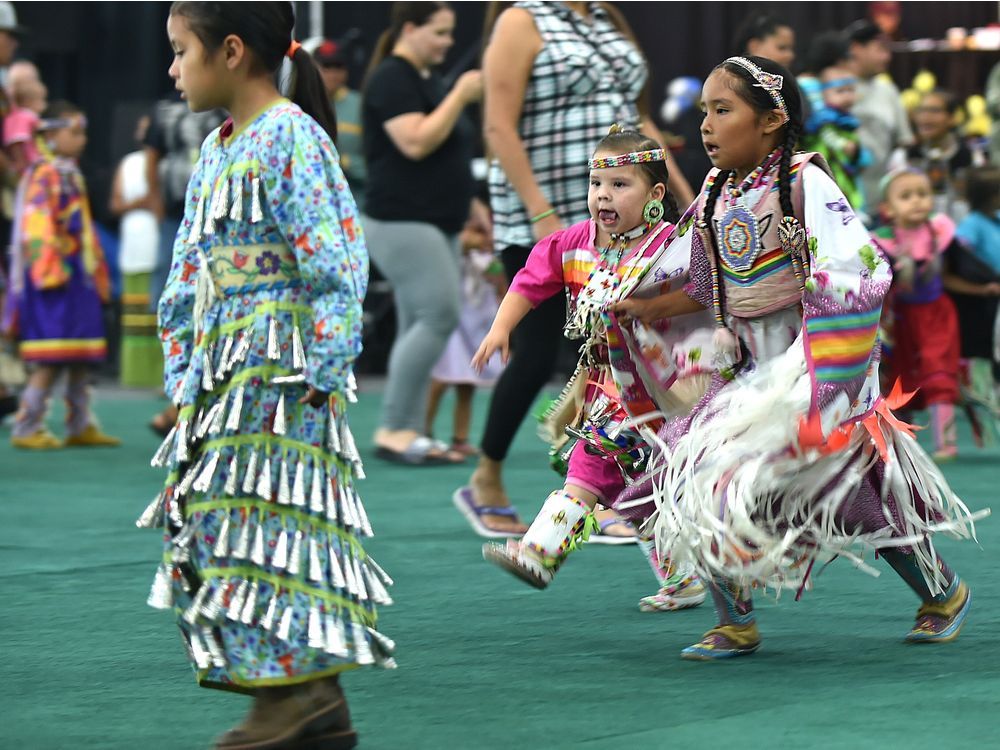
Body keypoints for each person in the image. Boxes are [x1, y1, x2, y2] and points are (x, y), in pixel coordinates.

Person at [611, 56, 981, 661]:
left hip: (810, 366)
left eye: (723, 110)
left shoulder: (803, 184)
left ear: (773, 120)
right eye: (704, 111)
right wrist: (649, 306)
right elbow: (706, 280)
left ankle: (942, 594)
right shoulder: (713, 193)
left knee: (857, 493)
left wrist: (821, 373)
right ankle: (735, 622)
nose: (706, 125)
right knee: (699, 472)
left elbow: (856, 272)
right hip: (741, 369)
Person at [141, 4, 394, 747]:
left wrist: (324, 361)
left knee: (271, 525)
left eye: (180, 51)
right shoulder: (220, 148)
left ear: (229, 51)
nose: (172, 68)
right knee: (222, 524)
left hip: (281, 374)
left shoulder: (292, 137)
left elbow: (335, 262)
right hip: (223, 371)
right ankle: (309, 696)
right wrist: (183, 361)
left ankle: (292, 698)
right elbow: (188, 270)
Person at [458, 1, 695, 541]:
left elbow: (645, 126)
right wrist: (542, 215)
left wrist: (685, 199)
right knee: (542, 349)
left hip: (634, 216)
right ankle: (487, 476)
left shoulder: (607, 20)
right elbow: (497, 125)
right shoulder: (523, 20)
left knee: (629, 351)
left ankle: (613, 488)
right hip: (556, 213)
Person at [478, 126, 709, 613]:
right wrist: (501, 329)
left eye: (620, 185)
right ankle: (683, 577)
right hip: (610, 389)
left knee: (598, 469)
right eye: (596, 184)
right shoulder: (574, 242)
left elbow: (705, 298)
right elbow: (529, 281)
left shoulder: (673, 246)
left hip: (671, 389)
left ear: (656, 194)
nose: (603, 195)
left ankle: (540, 552)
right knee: (634, 485)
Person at [362, 1, 482, 466]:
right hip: (401, 221)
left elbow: (445, 152)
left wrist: (471, 204)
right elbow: (414, 142)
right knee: (438, 315)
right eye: (440, 33)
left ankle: (406, 429)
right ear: (409, 29)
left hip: (438, 220)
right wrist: (460, 95)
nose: (448, 42)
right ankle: (394, 426)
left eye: (450, 34)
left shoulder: (427, 80)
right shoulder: (392, 78)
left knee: (419, 323)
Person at [3, 101, 119, 449]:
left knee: (80, 356)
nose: (82, 139)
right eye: (75, 132)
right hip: (53, 279)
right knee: (51, 359)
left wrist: (95, 271)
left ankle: (79, 422)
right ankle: (26, 425)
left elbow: (83, 228)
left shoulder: (68, 172)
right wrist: (49, 271)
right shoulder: (43, 174)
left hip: (76, 279)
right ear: (50, 135)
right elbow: (36, 228)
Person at [144, 91, 225, 435]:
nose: (176, 70)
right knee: (174, 301)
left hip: (220, 222)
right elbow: (151, 158)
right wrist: (155, 205)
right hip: (176, 214)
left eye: (184, 54)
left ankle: (182, 405)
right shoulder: (164, 112)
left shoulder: (231, 111)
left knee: (209, 313)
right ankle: (180, 396)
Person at [875, 168, 963, 460]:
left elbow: (957, 270)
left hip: (936, 316)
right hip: (900, 319)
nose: (916, 201)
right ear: (888, 208)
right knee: (898, 378)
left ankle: (946, 442)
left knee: (939, 372)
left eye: (922, 194)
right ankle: (899, 443)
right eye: (906, 196)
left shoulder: (939, 231)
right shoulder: (881, 241)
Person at [424, 211, 506, 465]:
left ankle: (460, 437)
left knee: (467, 381)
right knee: (440, 378)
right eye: (477, 231)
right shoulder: (451, 252)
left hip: (477, 324)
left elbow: (502, 287)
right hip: (454, 323)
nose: (482, 238)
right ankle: (421, 430)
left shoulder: (488, 259)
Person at [949, 166, 1000, 443]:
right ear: (988, 196)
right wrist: (981, 285)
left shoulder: (995, 219)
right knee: (986, 358)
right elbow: (958, 262)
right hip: (983, 301)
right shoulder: (971, 226)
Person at [110, 114, 161, 388]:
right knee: (134, 318)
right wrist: (142, 202)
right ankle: (135, 376)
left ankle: (161, 376)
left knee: (159, 315)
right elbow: (116, 204)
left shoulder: (167, 164)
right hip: (134, 241)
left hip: (160, 241)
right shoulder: (128, 163)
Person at [844, 18, 913, 222]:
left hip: (881, 205)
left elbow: (903, 140)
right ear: (856, 48)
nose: (887, 57)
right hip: (841, 202)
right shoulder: (835, 87)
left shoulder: (887, 89)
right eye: (880, 49)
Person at [888, 89, 985, 224]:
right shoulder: (904, 156)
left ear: (952, 118)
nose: (925, 117)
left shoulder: (970, 156)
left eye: (934, 111)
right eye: (921, 110)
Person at [801, 60, 870, 209]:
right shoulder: (823, 119)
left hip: (845, 175)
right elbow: (826, 137)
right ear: (824, 94)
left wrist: (858, 154)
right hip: (828, 172)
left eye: (850, 90)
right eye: (840, 91)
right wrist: (843, 145)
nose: (847, 96)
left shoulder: (847, 120)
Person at [307, 37, 366, 211]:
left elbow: (377, 163)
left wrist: (345, 161)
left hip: (354, 205)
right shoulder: (300, 107)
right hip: (312, 206)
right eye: (326, 67)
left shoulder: (360, 106)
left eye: (338, 67)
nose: (332, 74)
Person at [3, 77, 45, 175]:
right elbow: (16, 140)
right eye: (41, 100)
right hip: (28, 165)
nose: (44, 105)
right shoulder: (26, 117)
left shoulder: (16, 116)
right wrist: (20, 161)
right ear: (28, 101)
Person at [731, 13, 795, 69]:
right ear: (754, 46)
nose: (790, 55)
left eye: (791, 49)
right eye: (782, 48)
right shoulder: (731, 81)